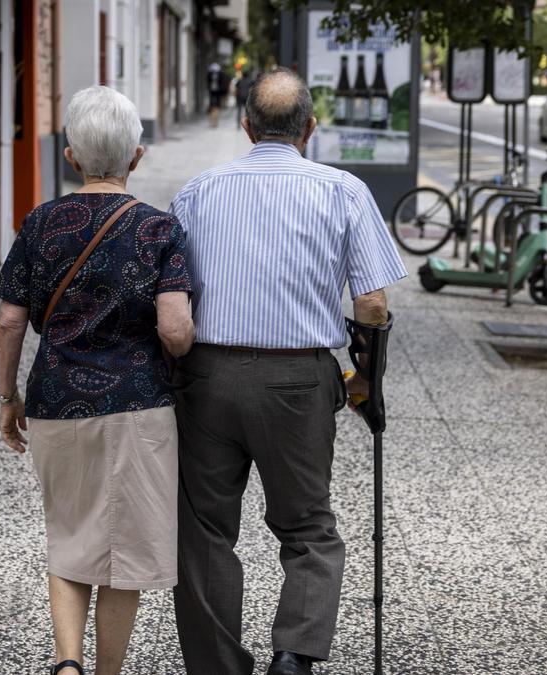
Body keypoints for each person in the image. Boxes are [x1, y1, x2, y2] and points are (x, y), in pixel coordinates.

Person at [169, 68, 406, 675]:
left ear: (245, 125)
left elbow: (171, 296)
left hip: (208, 378)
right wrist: (364, 384)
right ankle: (294, 657)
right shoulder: (343, 191)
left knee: (203, 531)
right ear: (311, 128)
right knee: (308, 529)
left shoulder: (197, 192)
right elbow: (373, 305)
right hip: (299, 383)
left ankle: (217, 666)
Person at [0, 85, 195, 675]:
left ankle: (67, 663)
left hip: (55, 403)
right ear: (137, 156)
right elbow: (176, 330)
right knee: (124, 555)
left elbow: (9, 321)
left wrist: (9, 399)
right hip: (139, 406)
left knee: (71, 534)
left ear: (71, 155)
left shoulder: (41, 222)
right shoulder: (160, 230)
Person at [207, 62, 228, 127]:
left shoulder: (210, 74)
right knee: (215, 107)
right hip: (216, 92)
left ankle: (213, 121)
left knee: (213, 107)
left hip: (214, 92)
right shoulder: (220, 75)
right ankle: (214, 121)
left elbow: (208, 82)